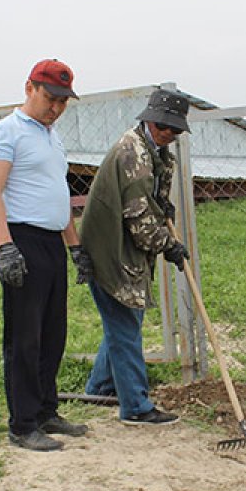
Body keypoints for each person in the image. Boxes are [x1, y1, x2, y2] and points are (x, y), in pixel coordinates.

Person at [0, 58, 92, 452]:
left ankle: (46, 410)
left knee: (52, 334)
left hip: (51, 243)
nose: (57, 108)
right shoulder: (5, 133)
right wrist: (4, 247)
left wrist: (74, 247)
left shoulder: (51, 136)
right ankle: (22, 423)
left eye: (63, 101)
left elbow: (57, 196)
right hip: (22, 240)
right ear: (29, 88)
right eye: (51, 98)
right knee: (24, 338)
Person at [77, 89, 192, 426]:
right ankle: (136, 407)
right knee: (126, 324)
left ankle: (100, 388)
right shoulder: (134, 155)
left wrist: (164, 205)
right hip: (110, 251)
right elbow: (141, 222)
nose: (167, 133)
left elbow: (152, 198)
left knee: (124, 322)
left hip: (124, 248)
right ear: (148, 120)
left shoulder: (156, 151)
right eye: (162, 126)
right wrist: (169, 245)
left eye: (174, 129)